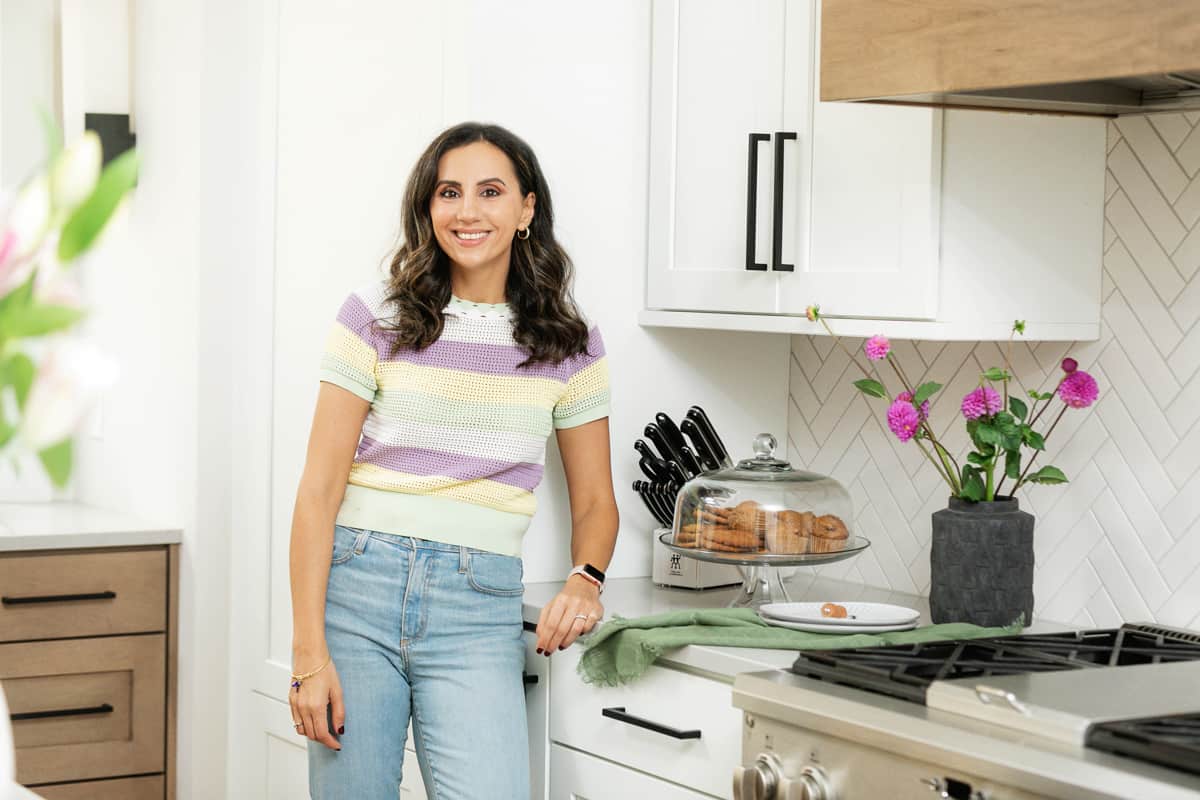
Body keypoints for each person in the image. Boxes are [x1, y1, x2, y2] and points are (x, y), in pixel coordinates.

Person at [287, 122, 619, 799]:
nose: (468, 211)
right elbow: (318, 492)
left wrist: (586, 578)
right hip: (358, 591)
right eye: (449, 192)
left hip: (479, 607)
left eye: (490, 192)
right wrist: (306, 654)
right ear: (427, 207)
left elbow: (594, 501)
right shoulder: (375, 316)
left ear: (527, 208)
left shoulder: (569, 342)